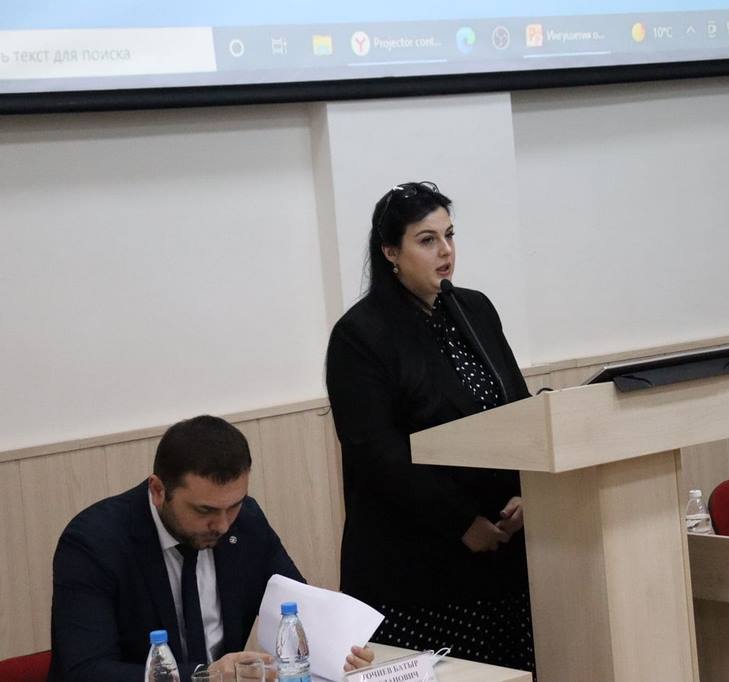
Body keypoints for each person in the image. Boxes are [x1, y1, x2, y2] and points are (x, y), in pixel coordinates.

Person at [325, 181, 534, 673]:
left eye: (449, 235)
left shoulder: (475, 309)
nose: (445, 251)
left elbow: (517, 408)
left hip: (501, 554)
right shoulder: (360, 334)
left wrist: (531, 490)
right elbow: (378, 455)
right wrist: (462, 522)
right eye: (427, 239)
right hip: (415, 564)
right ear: (390, 252)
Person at [49, 415, 374, 681]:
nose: (222, 525)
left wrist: (343, 652)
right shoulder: (94, 543)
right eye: (204, 510)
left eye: (233, 505)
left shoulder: (246, 523)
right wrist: (203, 677)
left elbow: (299, 610)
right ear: (159, 490)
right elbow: (85, 671)